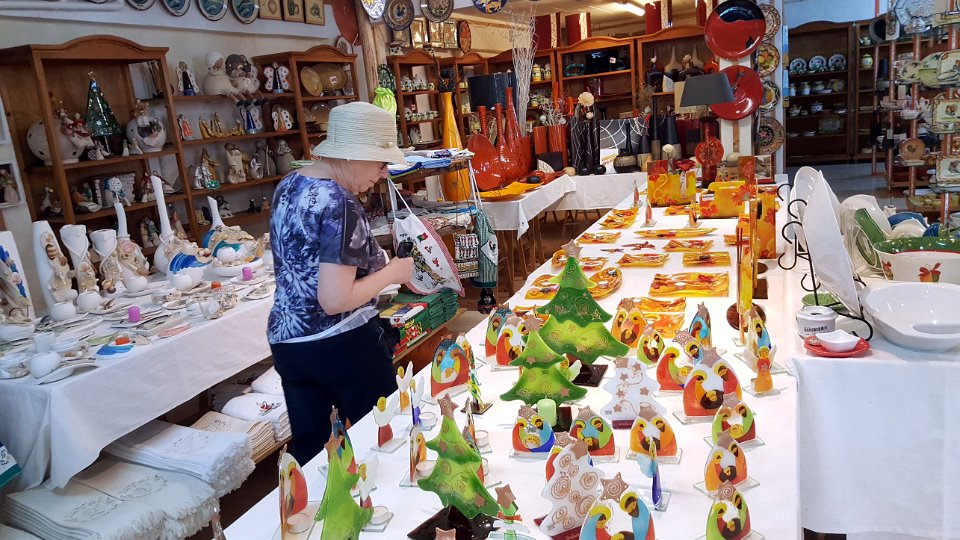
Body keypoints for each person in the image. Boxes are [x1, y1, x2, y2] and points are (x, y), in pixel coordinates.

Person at [267, 101, 412, 463]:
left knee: (314, 456)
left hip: (290, 343)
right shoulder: (340, 203)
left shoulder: (290, 184)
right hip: (341, 343)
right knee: (382, 441)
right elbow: (335, 299)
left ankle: (319, 502)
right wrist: (392, 272)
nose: (382, 173)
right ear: (352, 154)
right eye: (380, 163)